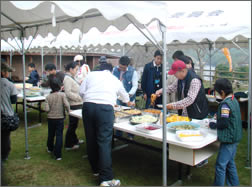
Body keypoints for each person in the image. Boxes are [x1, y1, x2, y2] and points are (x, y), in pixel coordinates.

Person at [79, 63, 134, 186]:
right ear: (111, 70)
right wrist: (129, 102)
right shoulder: (115, 79)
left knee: (91, 138)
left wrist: (91, 99)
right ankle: (107, 178)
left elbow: (81, 92)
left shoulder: (90, 75)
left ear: (100, 69)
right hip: (105, 109)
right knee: (104, 141)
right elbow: (125, 97)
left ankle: (95, 170)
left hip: (88, 106)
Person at [209, 78, 242, 186]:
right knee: (230, 163)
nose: (216, 95)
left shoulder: (225, 104)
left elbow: (224, 122)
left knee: (220, 165)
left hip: (229, 139)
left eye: (217, 92)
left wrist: (213, 125)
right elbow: (230, 116)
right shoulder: (233, 99)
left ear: (222, 92)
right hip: (235, 137)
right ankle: (234, 184)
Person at [44, 76, 70, 160]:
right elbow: (66, 105)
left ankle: (50, 148)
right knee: (59, 135)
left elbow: (46, 109)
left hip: (51, 118)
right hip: (60, 118)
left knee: (51, 134)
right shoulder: (62, 95)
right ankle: (58, 154)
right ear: (60, 86)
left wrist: (49, 111)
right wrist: (68, 111)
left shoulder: (48, 97)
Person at [112, 56, 138, 140]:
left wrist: (129, 94)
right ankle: (118, 134)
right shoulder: (114, 70)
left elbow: (135, 86)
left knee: (130, 115)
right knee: (118, 115)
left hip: (129, 97)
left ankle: (130, 134)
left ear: (127, 65)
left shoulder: (133, 72)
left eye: (123, 68)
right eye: (120, 67)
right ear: (118, 64)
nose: (121, 69)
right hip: (118, 98)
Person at [63, 61, 84, 150]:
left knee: (74, 124)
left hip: (77, 103)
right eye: (76, 69)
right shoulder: (67, 79)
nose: (77, 71)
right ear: (71, 69)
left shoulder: (71, 77)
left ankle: (74, 140)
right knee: (72, 124)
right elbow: (68, 93)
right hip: (74, 104)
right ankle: (68, 144)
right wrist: (79, 98)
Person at [1, 62, 18, 162]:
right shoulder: (9, 84)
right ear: (3, 72)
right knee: (4, 136)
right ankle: (4, 155)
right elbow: (13, 100)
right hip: (5, 114)